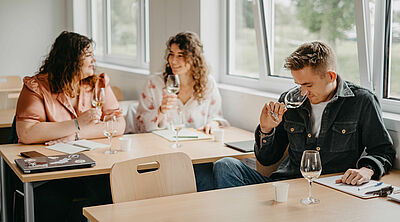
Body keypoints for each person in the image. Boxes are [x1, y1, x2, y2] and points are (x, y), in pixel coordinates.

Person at [213, 41, 396, 189]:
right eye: (298, 84)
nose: (302, 92)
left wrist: (367, 169)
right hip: (286, 186)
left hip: (332, 191)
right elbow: (268, 159)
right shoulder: (289, 100)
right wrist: (266, 129)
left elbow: (383, 150)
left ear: (331, 76)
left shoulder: (361, 101)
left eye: (308, 85)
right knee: (225, 166)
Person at [14, 31, 125, 221]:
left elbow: (118, 124)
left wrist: (76, 134)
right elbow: (26, 133)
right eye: (88, 55)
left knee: (114, 191)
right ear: (71, 60)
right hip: (51, 173)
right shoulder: (37, 87)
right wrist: (76, 123)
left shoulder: (98, 84)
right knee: (55, 202)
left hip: (92, 167)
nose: (94, 60)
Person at [135, 31, 229, 191]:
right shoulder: (154, 84)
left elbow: (217, 117)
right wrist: (160, 111)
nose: (173, 60)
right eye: (171, 54)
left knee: (210, 178)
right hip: (162, 156)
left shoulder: (207, 84)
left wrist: (213, 123)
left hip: (197, 156)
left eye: (181, 55)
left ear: (194, 58)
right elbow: (139, 127)